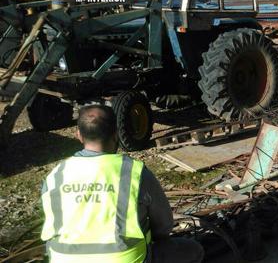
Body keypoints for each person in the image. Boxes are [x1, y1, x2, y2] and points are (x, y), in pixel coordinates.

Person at [40, 104, 204, 263]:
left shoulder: (55, 175)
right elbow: (164, 226)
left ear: (79, 135)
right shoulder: (133, 171)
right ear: (116, 134)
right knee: (194, 251)